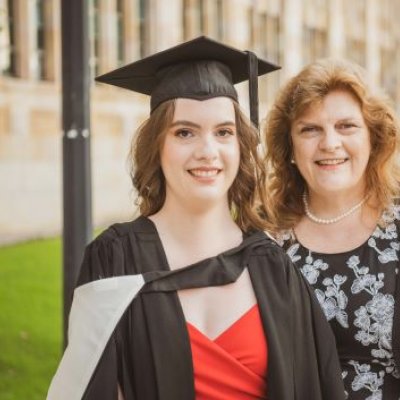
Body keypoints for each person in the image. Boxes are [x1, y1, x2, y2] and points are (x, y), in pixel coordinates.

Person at [47, 38, 345, 400]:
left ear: (240, 146)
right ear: (157, 146)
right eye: (184, 132)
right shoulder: (115, 258)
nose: (208, 151)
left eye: (224, 132)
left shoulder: (273, 268)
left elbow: (315, 386)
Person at [263, 58, 400, 399]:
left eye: (347, 126)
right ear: (290, 147)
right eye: (310, 129)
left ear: (374, 138)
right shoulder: (265, 240)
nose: (329, 143)